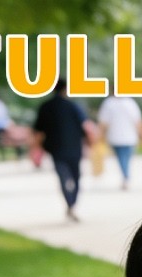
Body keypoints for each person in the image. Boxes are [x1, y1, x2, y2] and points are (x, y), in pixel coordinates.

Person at [32, 78, 91, 221]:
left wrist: (36, 150)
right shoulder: (73, 106)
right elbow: (85, 126)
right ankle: (72, 204)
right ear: (66, 89)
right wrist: (90, 143)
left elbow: (38, 132)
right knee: (76, 178)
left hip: (55, 149)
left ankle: (70, 204)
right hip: (74, 148)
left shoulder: (45, 107)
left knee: (63, 178)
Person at [97, 95, 142, 190]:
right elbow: (138, 121)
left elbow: (103, 122)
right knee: (126, 158)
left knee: (121, 158)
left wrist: (100, 136)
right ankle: (126, 176)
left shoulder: (108, 103)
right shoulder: (130, 103)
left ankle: (125, 177)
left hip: (115, 137)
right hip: (130, 138)